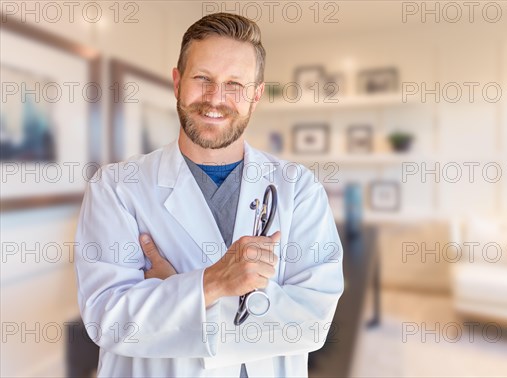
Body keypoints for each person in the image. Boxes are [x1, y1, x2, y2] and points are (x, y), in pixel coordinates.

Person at [74, 12, 344, 377]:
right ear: (177, 82)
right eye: (203, 79)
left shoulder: (298, 189)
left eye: (235, 84)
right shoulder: (116, 187)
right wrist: (212, 282)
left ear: (256, 95)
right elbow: (109, 320)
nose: (216, 99)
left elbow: (311, 320)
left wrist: (178, 293)